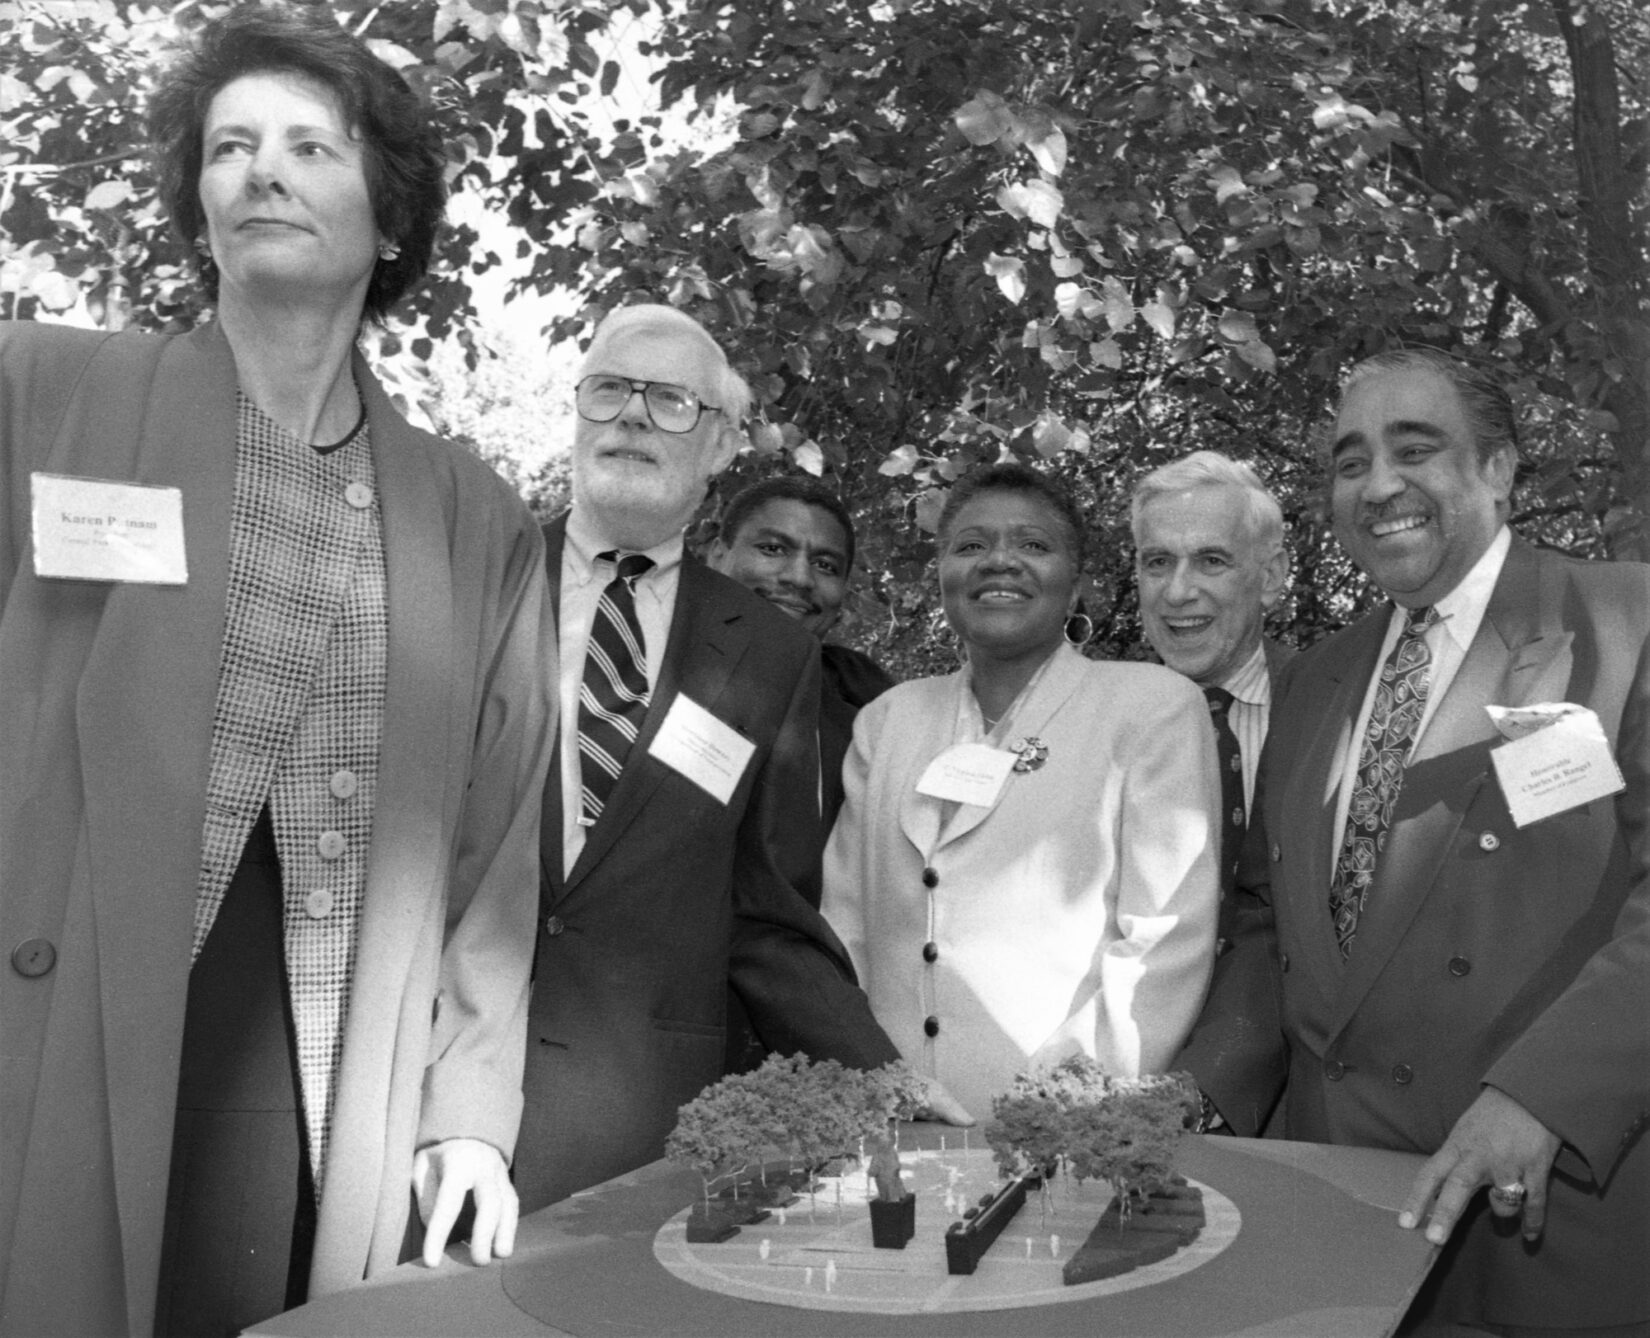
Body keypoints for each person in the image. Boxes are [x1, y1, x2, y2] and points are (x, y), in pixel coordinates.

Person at [0, 8, 554, 1335]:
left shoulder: (469, 515)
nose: (262, 169)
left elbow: (492, 851)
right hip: (63, 1040)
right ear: (197, 204)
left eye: (312, 146)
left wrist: (468, 1114)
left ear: (388, 216)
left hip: (324, 1087)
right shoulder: (47, 387)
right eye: (231, 146)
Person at [1182, 348, 1649, 1334]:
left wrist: (1545, 1098)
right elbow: (1275, 923)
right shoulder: (1313, 682)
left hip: (1553, 1205)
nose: (1379, 484)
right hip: (1350, 1212)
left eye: (1417, 448)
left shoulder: (1624, 620)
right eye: (1350, 461)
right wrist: (1198, 1092)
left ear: (1500, 469)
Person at [514, 303, 957, 1215]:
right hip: (428, 1087)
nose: (633, 415)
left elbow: (767, 904)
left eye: (672, 400)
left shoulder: (768, 652)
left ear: (720, 446)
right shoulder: (481, 572)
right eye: (610, 390)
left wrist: (883, 1080)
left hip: (640, 1115)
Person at [821, 462, 1221, 1120]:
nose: (999, 562)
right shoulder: (887, 721)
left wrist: (1054, 1100)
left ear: (1076, 581)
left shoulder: (1152, 710)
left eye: (1033, 545)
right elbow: (845, 931)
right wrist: (875, 1077)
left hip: (1061, 1131)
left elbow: (1162, 942)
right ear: (941, 573)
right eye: (970, 546)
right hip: (895, 1124)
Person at [708, 475, 896, 826]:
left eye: (825, 566)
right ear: (718, 556)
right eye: (773, 549)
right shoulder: (649, 663)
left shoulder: (865, 708)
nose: (799, 578)